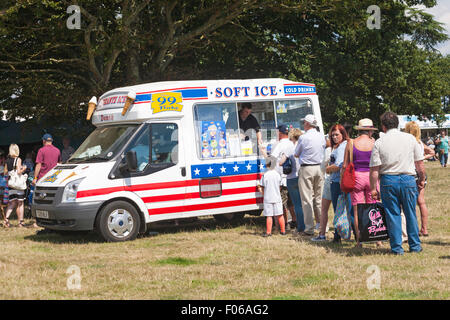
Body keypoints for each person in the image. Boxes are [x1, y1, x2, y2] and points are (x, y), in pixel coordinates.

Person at [369, 111, 425, 255]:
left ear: (383, 126)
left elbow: (374, 169)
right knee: (410, 213)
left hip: (388, 179)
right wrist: (421, 179)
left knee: (392, 214)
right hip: (408, 179)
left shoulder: (379, 142)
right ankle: (415, 245)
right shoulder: (410, 139)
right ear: (397, 124)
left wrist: (373, 188)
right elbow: (419, 164)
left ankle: (397, 248)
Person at [342, 118, 380, 247]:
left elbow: (345, 165)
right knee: (373, 207)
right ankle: (377, 238)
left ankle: (359, 240)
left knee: (357, 210)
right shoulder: (374, 143)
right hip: (371, 177)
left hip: (356, 177)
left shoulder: (351, 143)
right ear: (370, 131)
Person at [294, 114, 325, 236]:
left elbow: (296, 154)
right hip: (319, 168)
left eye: (304, 123)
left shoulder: (303, 137)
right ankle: (323, 225)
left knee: (306, 199)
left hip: (307, 168)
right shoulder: (321, 136)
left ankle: (309, 228)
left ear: (307, 124)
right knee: (319, 199)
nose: (303, 125)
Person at [261, 124, 293, 230]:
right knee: (292, 202)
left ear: (280, 133)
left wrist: (263, 152)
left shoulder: (279, 145)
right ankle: (295, 221)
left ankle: (285, 223)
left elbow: (272, 161)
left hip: (282, 178)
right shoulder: (292, 143)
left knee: (283, 203)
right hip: (292, 177)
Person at [404, 121, 434, 237]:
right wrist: (424, 157)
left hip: (411, 172)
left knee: (409, 203)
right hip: (421, 172)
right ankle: (424, 229)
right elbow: (432, 152)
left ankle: (412, 229)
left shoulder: (407, 143)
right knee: (421, 202)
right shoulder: (420, 143)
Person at [324, 124, 350, 243]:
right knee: (342, 208)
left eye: (337, 134)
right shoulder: (342, 145)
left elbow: (339, 165)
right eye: (332, 135)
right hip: (338, 181)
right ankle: (341, 234)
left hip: (338, 181)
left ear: (343, 134)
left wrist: (328, 169)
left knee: (338, 208)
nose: (334, 137)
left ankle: (338, 236)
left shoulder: (342, 147)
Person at [283, 128, 305, 233]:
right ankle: (308, 224)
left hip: (291, 178)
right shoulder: (303, 147)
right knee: (304, 202)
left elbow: (280, 162)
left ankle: (300, 226)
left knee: (297, 204)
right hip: (302, 176)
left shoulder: (289, 148)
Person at [258, 156, 286, 237]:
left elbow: (262, 186)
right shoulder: (277, 174)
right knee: (280, 214)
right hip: (277, 197)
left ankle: (268, 232)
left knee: (269, 216)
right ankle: (283, 231)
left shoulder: (265, 175)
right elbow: (280, 186)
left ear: (267, 164)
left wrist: (262, 192)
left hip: (268, 198)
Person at [311, 137, 333, 241]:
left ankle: (323, 232)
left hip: (330, 179)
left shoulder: (329, 150)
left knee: (323, 207)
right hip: (338, 179)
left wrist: (327, 169)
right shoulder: (346, 145)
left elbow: (324, 166)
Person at [3, 144, 27, 228]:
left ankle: (6, 220)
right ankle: (21, 222)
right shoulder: (18, 159)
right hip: (18, 184)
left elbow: (5, 172)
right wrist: (24, 168)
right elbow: (19, 172)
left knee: (12, 203)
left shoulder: (7, 160)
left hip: (10, 184)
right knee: (20, 203)